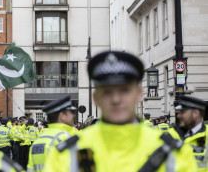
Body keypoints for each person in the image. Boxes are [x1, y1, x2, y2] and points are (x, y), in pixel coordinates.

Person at [44, 51, 196, 171]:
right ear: (96, 98)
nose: (116, 99)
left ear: (139, 94)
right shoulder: (65, 154)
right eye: (107, 92)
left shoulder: (176, 153)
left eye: (124, 90)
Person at [27, 95, 77, 172]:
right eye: (71, 112)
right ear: (62, 116)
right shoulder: (66, 138)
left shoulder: (37, 141)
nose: (74, 115)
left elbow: (30, 169)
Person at [169, 95, 208, 171]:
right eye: (178, 112)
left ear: (195, 113)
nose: (178, 116)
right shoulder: (170, 135)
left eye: (183, 112)